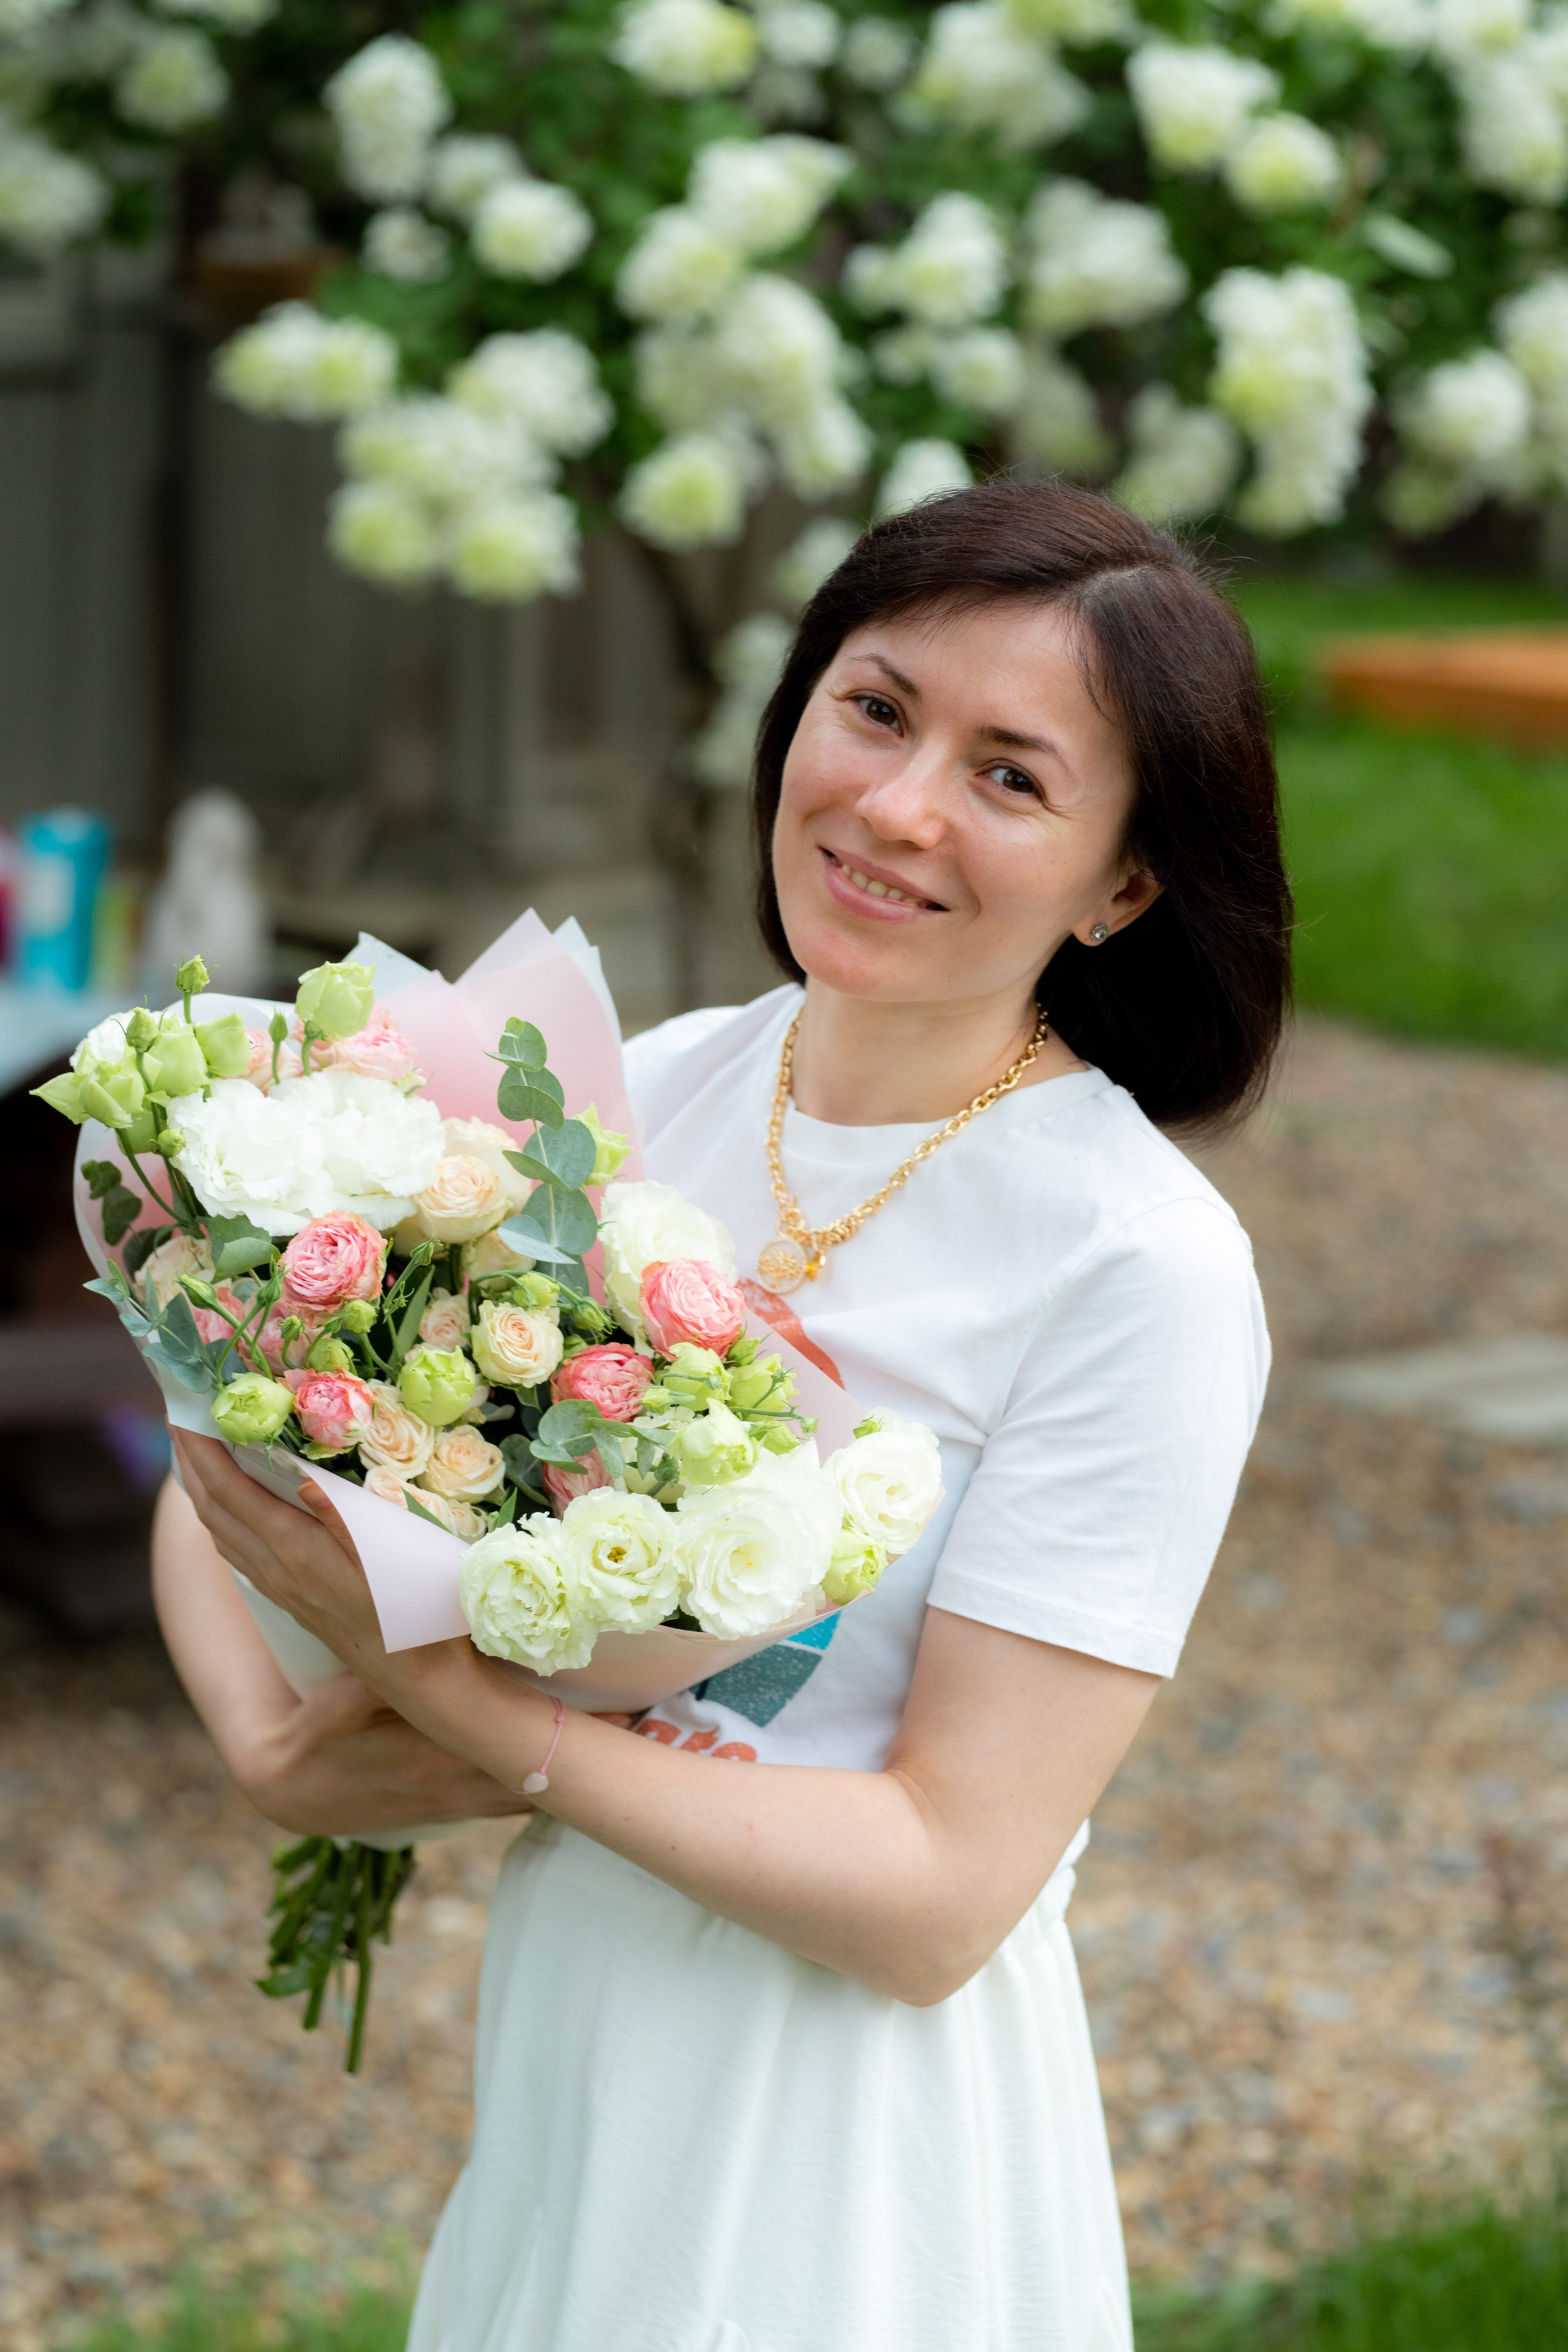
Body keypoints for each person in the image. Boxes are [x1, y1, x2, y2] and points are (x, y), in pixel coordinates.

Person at [157, 479, 1291, 2352]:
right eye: (876, 708)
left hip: (846, 2134)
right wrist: (276, 1745)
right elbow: (239, 1439)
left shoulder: (1137, 1263)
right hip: (578, 2029)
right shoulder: (631, 1094)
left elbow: (942, 1893)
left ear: (1124, 881)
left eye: (1013, 777)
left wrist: (447, 1698)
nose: (900, 806)